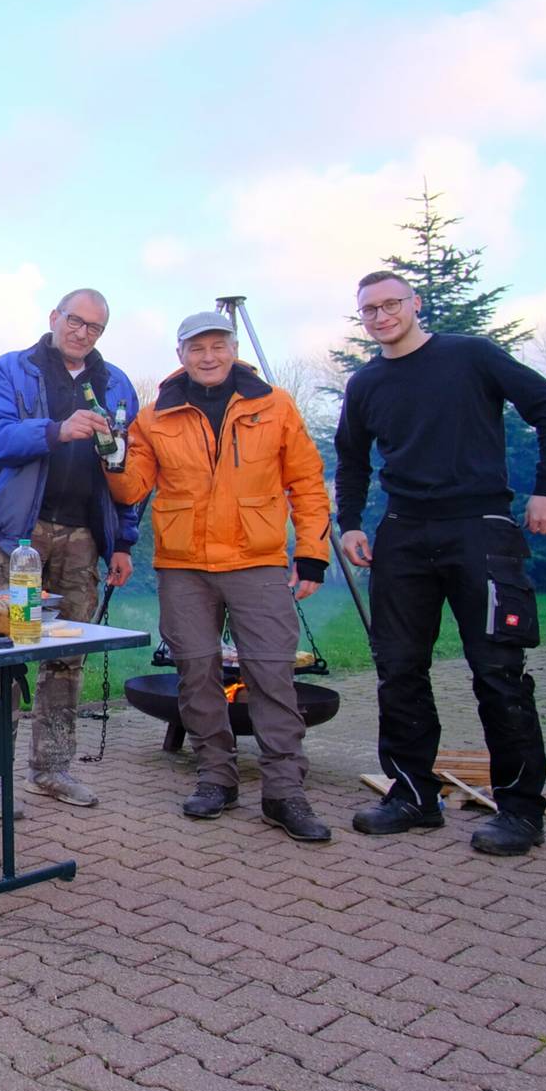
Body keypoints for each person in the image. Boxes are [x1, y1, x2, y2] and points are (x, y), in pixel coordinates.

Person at [335, 270, 546, 856]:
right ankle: (414, 796)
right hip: (404, 534)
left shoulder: (471, 357)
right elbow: (351, 462)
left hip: (480, 530)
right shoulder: (366, 383)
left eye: (391, 304)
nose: (382, 316)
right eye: (369, 310)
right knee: (398, 668)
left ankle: (520, 811)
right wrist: (348, 525)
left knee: (498, 673)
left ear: (415, 304)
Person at [107, 312, 334, 842]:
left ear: (232, 348)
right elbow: (131, 490)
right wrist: (112, 458)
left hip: (257, 560)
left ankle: (284, 793)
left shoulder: (274, 404)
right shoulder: (153, 415)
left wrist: (313, 553)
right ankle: (216, 777)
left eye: (217, 346)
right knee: (196, 673)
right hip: (184, 565)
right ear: (180, 353)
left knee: (273, 675)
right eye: (196, 348)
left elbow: (307, 482)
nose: (207, 357)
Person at [0, 288, 140, 811]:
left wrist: (124, 539)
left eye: (94, 327)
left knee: (67, 657)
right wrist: (56, 430)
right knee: (2, 653)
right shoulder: (10, 370)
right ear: (54, 318)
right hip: (19, 537)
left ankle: (53, 769)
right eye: (75, 320)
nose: (82, 332)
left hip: (85, 539)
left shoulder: (117, 386)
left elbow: (129, 471)